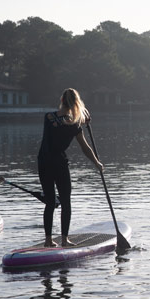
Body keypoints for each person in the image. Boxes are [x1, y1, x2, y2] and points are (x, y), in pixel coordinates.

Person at [38, 88, 103, 247]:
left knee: (50, 202)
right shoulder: (74, 124)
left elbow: (60, 120)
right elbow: (85, 148)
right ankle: (65, 239)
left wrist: (81, 120)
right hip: (59, 163)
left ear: (61, 101)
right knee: (65, 202)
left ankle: (48, 240)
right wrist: (97, 163)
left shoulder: (48, 117)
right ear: (76, 103)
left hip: (43, 162)